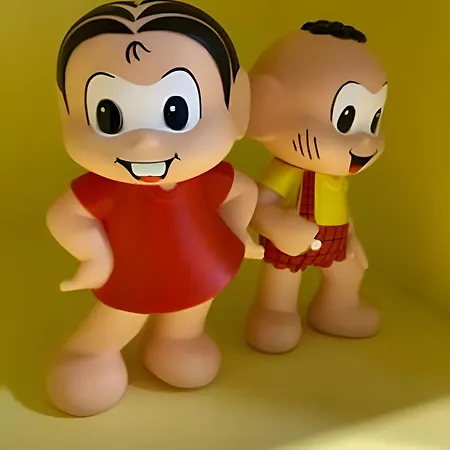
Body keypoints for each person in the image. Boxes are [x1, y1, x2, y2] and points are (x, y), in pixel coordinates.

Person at [46, 0, 262, 417]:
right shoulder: (106, 187)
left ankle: (177, 340)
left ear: (238, 107)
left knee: (192, 308)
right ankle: (89, 352)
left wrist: (238, 232)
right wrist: (95, 257)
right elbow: (64, 216)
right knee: (122, 315)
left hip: (199, 265)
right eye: (109, 116)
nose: (145, 141)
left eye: (175, 112)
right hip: (133, 272)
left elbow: (242, 193)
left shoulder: (207, 178)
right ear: (66, 111)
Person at [246, 20, 388, 354]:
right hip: (293, 243)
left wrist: (352, 236)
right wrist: (276, 224)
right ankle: (275, 312)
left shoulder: (334, 176)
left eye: (373, 121)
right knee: (282, 281)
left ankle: (338, 308)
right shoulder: (287, 171)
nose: (366, 141)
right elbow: (256, 204)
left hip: (335, 238)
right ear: (265, 107)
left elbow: (342, 208)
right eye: (345, 119)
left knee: (348, 275)